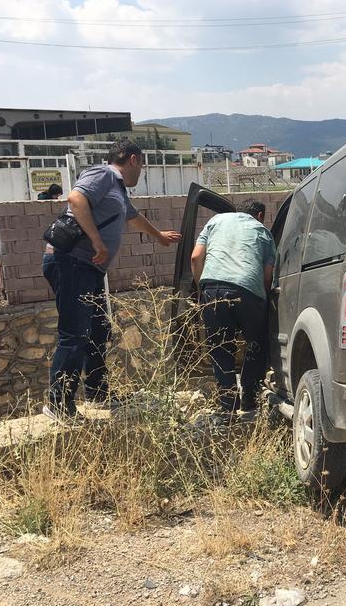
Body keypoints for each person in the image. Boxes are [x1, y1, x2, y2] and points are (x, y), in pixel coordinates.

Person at [42, 140, 181, 422]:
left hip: (88, 268)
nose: (141, 171)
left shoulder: (118, 190)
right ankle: (58, 403)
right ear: (133, 159)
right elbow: (76, 199)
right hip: (71, 262)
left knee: (98, 330)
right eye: (142, 164)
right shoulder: (105, 174)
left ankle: (97, 391)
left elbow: (134, 217)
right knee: (74, 334)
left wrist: (159, 236)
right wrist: (96, 241)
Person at [191, 199, 276, 418]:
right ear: (259, 215)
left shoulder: (215, 221)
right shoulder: (263, 231)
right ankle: (249, 403)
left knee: (220, 349)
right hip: (249, 291)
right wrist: (263, 301)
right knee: (256, 345)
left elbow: (195, 257)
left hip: (212, 289)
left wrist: (204, 291)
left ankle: (227, 409)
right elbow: (267, 277)